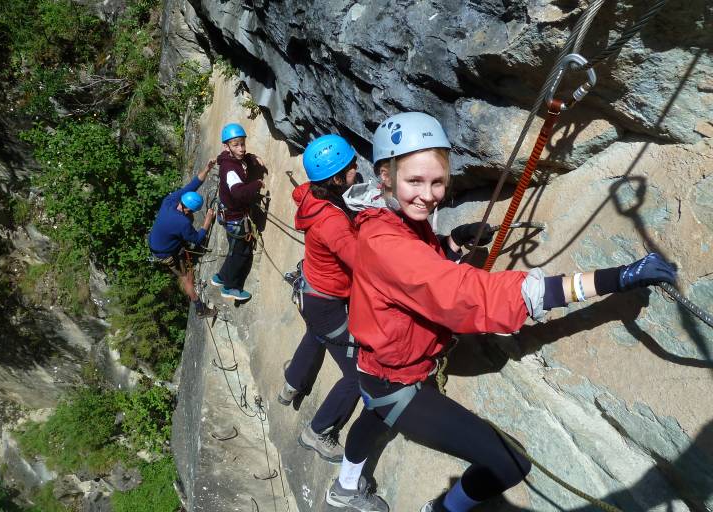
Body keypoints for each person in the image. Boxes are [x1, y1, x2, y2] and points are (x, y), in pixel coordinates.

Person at [324, 112, 677, 512]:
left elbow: (417, 263)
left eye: (438, 181)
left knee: (374, 416)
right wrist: (611, 278)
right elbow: (470, 297)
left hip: (379, 369)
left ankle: (345, 485)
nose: (428, 194)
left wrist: (452, 245)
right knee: (511, 464)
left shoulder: (386, 217)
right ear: (385, 177)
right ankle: (441, 510)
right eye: (415, 182)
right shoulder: (387, 242)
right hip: (396, 380)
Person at [277, 134, 362, 464]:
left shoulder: (312, 194)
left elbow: (300, 190)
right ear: (336, 178)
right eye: (350, 167)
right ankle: (318, 432)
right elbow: (363, 264)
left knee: (316, 334)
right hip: (326, 302)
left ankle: (291, 385)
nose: (357, 168)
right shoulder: (332, 223)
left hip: (311, 292)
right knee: (358, 374)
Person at [149, 160, 217, 318]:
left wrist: (207, 168)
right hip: (165, 253)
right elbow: (198, 239)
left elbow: (192, 186)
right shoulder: (183, 223)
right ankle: (200, 307)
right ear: (187, 210)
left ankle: (178, 245)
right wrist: (208, 220)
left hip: (158, 241)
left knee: (179, 238)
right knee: (187, 278)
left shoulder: (171, 201)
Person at [210, 123, 266, 301]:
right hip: (235, 219)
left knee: (234, 249)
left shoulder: (230, 159)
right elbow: (239, 192)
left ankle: (220, 277)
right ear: (226, 146)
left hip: (230, 215)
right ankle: (230, 287)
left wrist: (251, 157)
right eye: (236, 145)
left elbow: (240, 159)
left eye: (243, 143)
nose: (241, 148)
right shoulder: (230, 169)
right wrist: (257, 184)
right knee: (241, 253)